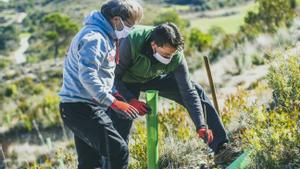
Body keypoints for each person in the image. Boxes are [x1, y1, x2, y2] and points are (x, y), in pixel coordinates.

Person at [114, 22, 240, 164]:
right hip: (125, 80)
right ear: (154, 44)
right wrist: (130, 99)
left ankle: (221, 149)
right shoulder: (131, 41)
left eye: (172, 54)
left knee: (197, 91)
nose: (169, 58)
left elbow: (188, 92)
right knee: (120, 121)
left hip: (154, 77)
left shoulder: (176, 55)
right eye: (166, 54)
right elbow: (114, 77)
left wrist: (201, 124)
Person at [58, 0, 143, 168]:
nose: (131, 30)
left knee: (90, 163)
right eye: (129, 25)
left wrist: (117, 95)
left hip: (85, 106)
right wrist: (113, 102)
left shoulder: (107, 36)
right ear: (117, 20)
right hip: (80, 108)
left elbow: (103, 75)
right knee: (119, 151)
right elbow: (88, 76)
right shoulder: (94, 38)